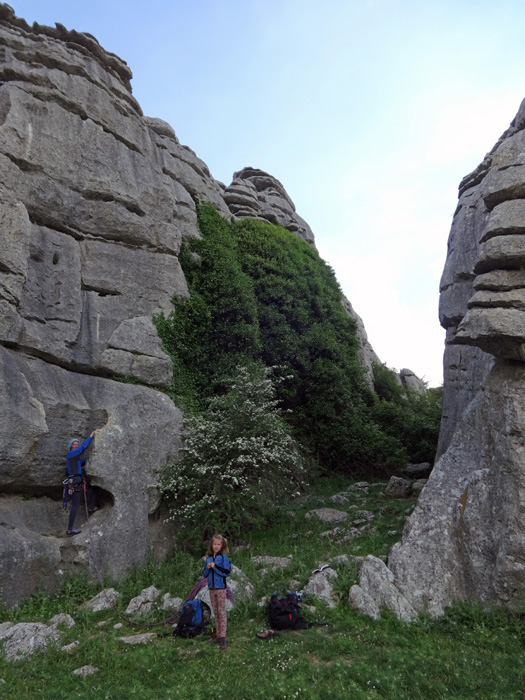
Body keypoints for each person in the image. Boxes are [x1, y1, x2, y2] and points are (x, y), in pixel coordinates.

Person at [63, 430, 99, 536]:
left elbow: (83, 461)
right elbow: (83, 447)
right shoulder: (71, 454)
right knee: (75, 505)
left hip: (75, 481)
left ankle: (70, 528)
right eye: (74, 444)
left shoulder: (75, 458)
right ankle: (70, 528)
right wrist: (91, 436)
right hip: (75, 482)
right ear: (71, 446)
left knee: (92, 489)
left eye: (76, 444)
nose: (76, 446)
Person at [202, 533, 231, 650]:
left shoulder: (224, 558)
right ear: (211, 545)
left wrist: (215, 567)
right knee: (216, 612)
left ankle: (223, 637)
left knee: (221, 611)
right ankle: (218, 635)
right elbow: (204, 574)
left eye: (219, 544)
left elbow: (226, 572)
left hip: (220, 588)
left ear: (222, 546)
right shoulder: (208, 558)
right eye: (215, 544)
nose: (216, 546)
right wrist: (208, 567)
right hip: (211, 588)